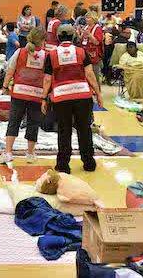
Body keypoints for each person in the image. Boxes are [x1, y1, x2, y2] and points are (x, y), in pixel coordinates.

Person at [41, 25, 102, 174]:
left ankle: (63, 165)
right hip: (82, 96)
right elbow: (89, 74)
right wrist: (98, 93)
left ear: (58, 37)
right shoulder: (81, 52)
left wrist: (43, 98)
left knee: (64, 131)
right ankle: (89, 163)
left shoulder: (52, 54)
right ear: (73, 36)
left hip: (61, 98)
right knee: (84, 129)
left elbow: (47, 79)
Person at [0, 28, 46, 164]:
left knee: (14, 121)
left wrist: (5, 86)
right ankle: (30, 154)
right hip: (37, 95)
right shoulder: (46, 55)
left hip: (19, 93)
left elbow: (10, 70)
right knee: (33, 123)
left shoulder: (19, 52)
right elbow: (48, 77)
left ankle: (8, 152)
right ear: (42, 41)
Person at [80, 11, 104, 86]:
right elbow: (81, 40)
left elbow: (97, 42)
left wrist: (90, 35)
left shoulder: (98, 28)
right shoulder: (86, 27)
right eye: (86, 18)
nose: (86, 19)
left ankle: (97, 93)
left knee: (94, 75)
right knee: (85, 75)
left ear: (93, 19)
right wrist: (79, 34)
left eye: (88, 18)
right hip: (85, 53)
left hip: (94, 55)